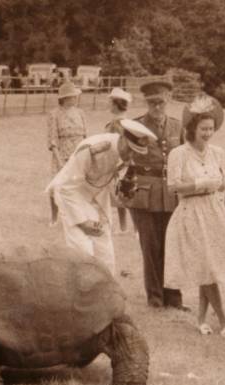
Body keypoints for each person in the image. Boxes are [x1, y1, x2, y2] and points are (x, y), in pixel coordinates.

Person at [164, 95, 225, 336]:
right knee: (207, 268)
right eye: (203, 129)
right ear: (192, 129)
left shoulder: (217, 153)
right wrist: (201, 183)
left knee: (208, 267)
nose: (208, 133)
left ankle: (201, 320)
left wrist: (213, 184)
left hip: (213, 211)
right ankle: (223, 321)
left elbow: (221, 184)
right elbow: (173, 186)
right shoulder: (178, 154)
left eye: (211, 129)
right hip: (191, 212)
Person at [45, 119, 157, 275]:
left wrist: (125, 193)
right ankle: (80, 296)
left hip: (96, 199)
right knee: (83, 252)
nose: (131, 155)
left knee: (106, 255)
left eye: (136, 152)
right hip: (71, 196)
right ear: (122, 138)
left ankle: (105, 296)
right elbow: (66, 187)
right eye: (130, 149)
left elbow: (109, 186)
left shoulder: (126, 158)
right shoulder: (94, 148)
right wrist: (83, 222)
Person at [121, 79, 187, 310]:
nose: (157, 108)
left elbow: (186, 155)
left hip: (170, 192)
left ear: (168, 100)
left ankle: (174, 297)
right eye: (152, 103)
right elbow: (122, 154)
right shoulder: (135, 126)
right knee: (150, 246)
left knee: (172, 245)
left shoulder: (178, 127)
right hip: (145, 194)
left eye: (160, 102)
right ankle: (156, 298)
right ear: (146, 103)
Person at [47, 82, 87, 224]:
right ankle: (54, 218)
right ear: (65, 98)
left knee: (79, 186)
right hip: (62, 155)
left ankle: (77, 216)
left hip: (79, 155)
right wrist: (59, 161)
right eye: (73, 96)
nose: (76, 98)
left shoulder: (80, 113)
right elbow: (53, 140)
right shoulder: (54, 114)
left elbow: (85, 136)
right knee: (56, 186)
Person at [105, 87, 134, 233]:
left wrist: (121, 164)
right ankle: (123, 228)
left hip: (123, 164)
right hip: (118, 163)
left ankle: (135, 230)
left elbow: (122, 146)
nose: (109, 105)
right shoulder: (117, 123)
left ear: (116, 104)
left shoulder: (120, 124)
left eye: (110, 102)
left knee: (126, 196)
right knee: (120, 197)